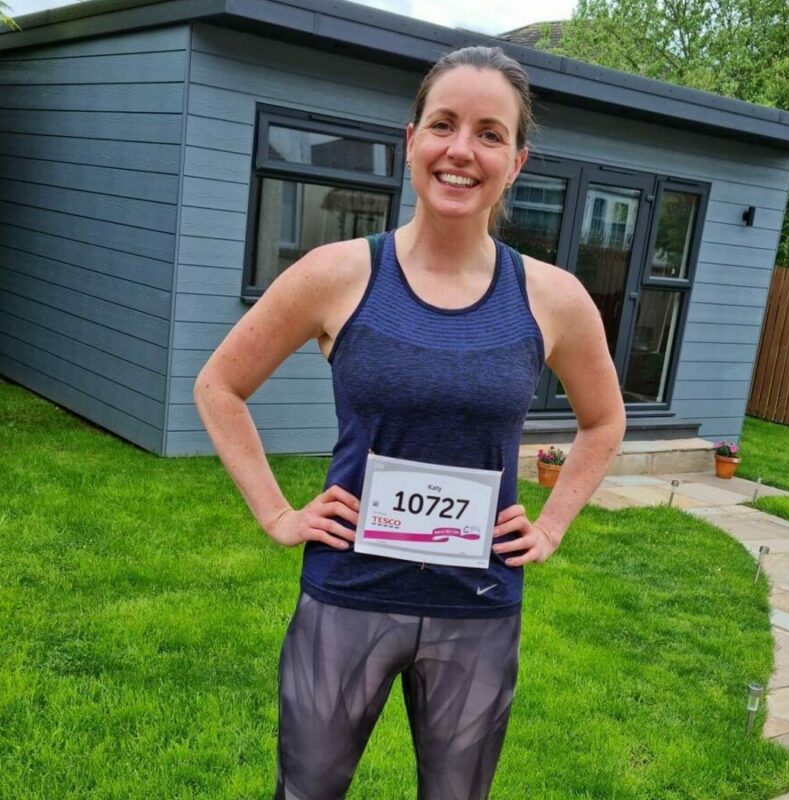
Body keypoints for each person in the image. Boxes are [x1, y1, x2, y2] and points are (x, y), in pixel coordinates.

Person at [194, 45, 626, 800]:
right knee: (308, 791)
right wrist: (276, 513)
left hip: (478, 609)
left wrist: (552, 525)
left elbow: (604, 421)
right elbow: (219, 384)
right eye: (444, 124)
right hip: (347, 594)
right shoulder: (340, 274)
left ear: (517, 162)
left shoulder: (552, 298)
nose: (462, 150)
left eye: (490, 134)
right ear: (411, 140)